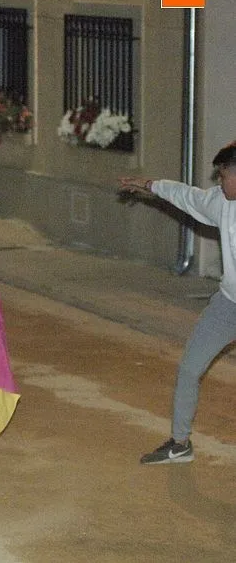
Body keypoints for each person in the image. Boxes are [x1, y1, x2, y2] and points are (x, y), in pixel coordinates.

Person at [120, 143, 236, 465]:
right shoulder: (221, 202)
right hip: (228, 305)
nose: (219, 181)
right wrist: (149, 185)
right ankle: (180, 444)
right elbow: (187, 196)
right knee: (189, 368)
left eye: (223, 175)